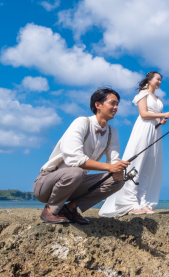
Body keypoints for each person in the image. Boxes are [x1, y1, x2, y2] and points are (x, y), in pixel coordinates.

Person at [34, 88, 130, 224]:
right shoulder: (82, 122)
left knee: (117, 181)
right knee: (76, 171)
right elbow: (74, 159)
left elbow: (114, 161)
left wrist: (118, 171)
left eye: (117, 105)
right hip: (47, 184)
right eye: (112, 103)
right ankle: (50, 210)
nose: (116, 108)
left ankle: (70, 208)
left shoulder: (112, 132)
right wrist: (110, 167)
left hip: (75, 183)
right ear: (98, 105)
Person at [99, 71, 169, 217]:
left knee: (150, 165)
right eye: (157, 79)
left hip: (154, 131)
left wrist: (161, 120)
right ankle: (129, 202)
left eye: (161, 80)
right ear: (149, 79)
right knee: (137, 163)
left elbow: (154, 116)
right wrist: (163, 115)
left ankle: (143, 201)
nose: (159, 82)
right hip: (143, 129)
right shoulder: (143, 93)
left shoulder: (157, 98)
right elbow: (143, 114)